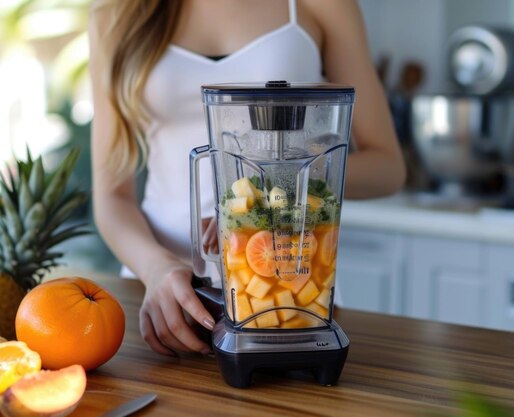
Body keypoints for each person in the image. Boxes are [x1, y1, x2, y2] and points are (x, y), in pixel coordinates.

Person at [89, 0, 405, 357]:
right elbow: (112, 196)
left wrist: (270, 198)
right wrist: (157, 268)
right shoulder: (115, 14)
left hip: (291, 293)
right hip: (164, 299)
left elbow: (388, 167)